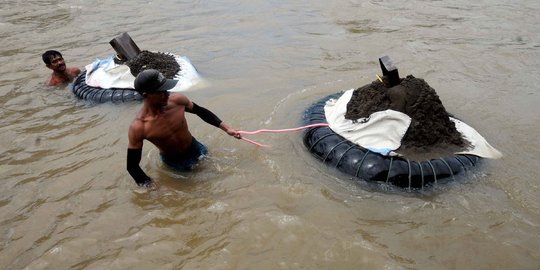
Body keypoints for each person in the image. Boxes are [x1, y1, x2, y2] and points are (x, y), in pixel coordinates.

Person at [127, 69, 241, 187]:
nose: (167, 94)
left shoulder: (177, 101)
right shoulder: (139, 127)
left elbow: (200, 111)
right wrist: (153, 188)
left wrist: (227, 129)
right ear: (146, 95)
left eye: (166, 89)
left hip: (196, 149)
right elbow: (132, 167)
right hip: (175, 163)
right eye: (161, 92)